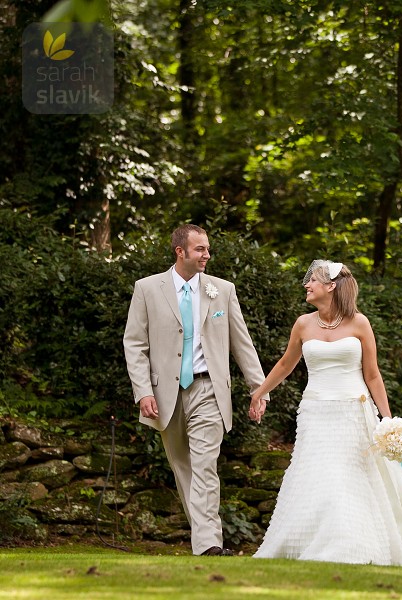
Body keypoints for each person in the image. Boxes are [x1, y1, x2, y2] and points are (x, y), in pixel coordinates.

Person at [252, 259, 402, 571]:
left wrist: (387, 419)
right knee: (314, 477)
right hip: (315, 413)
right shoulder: (303, 324)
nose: (306, 285)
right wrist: (260, 391)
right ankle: (309, 542)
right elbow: (286, 364)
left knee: (348, 478)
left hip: (353, 411)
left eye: (312, 281)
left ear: (331, 286)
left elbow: (373, 375)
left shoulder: (359, 324)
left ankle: (348, 544)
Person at [123, 224, 270, 556]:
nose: (207, 255)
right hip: (164, 395)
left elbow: (242, 343)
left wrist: (258, 389)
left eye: (207, 249)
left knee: (205, 465)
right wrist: (143, 391)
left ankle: (208, 545)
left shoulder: (223, 290)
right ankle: (205, 539)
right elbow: (135, 344)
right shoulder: (147, 289)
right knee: (182, 467)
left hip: (209, 390)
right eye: (201, 249)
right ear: (181, 252)